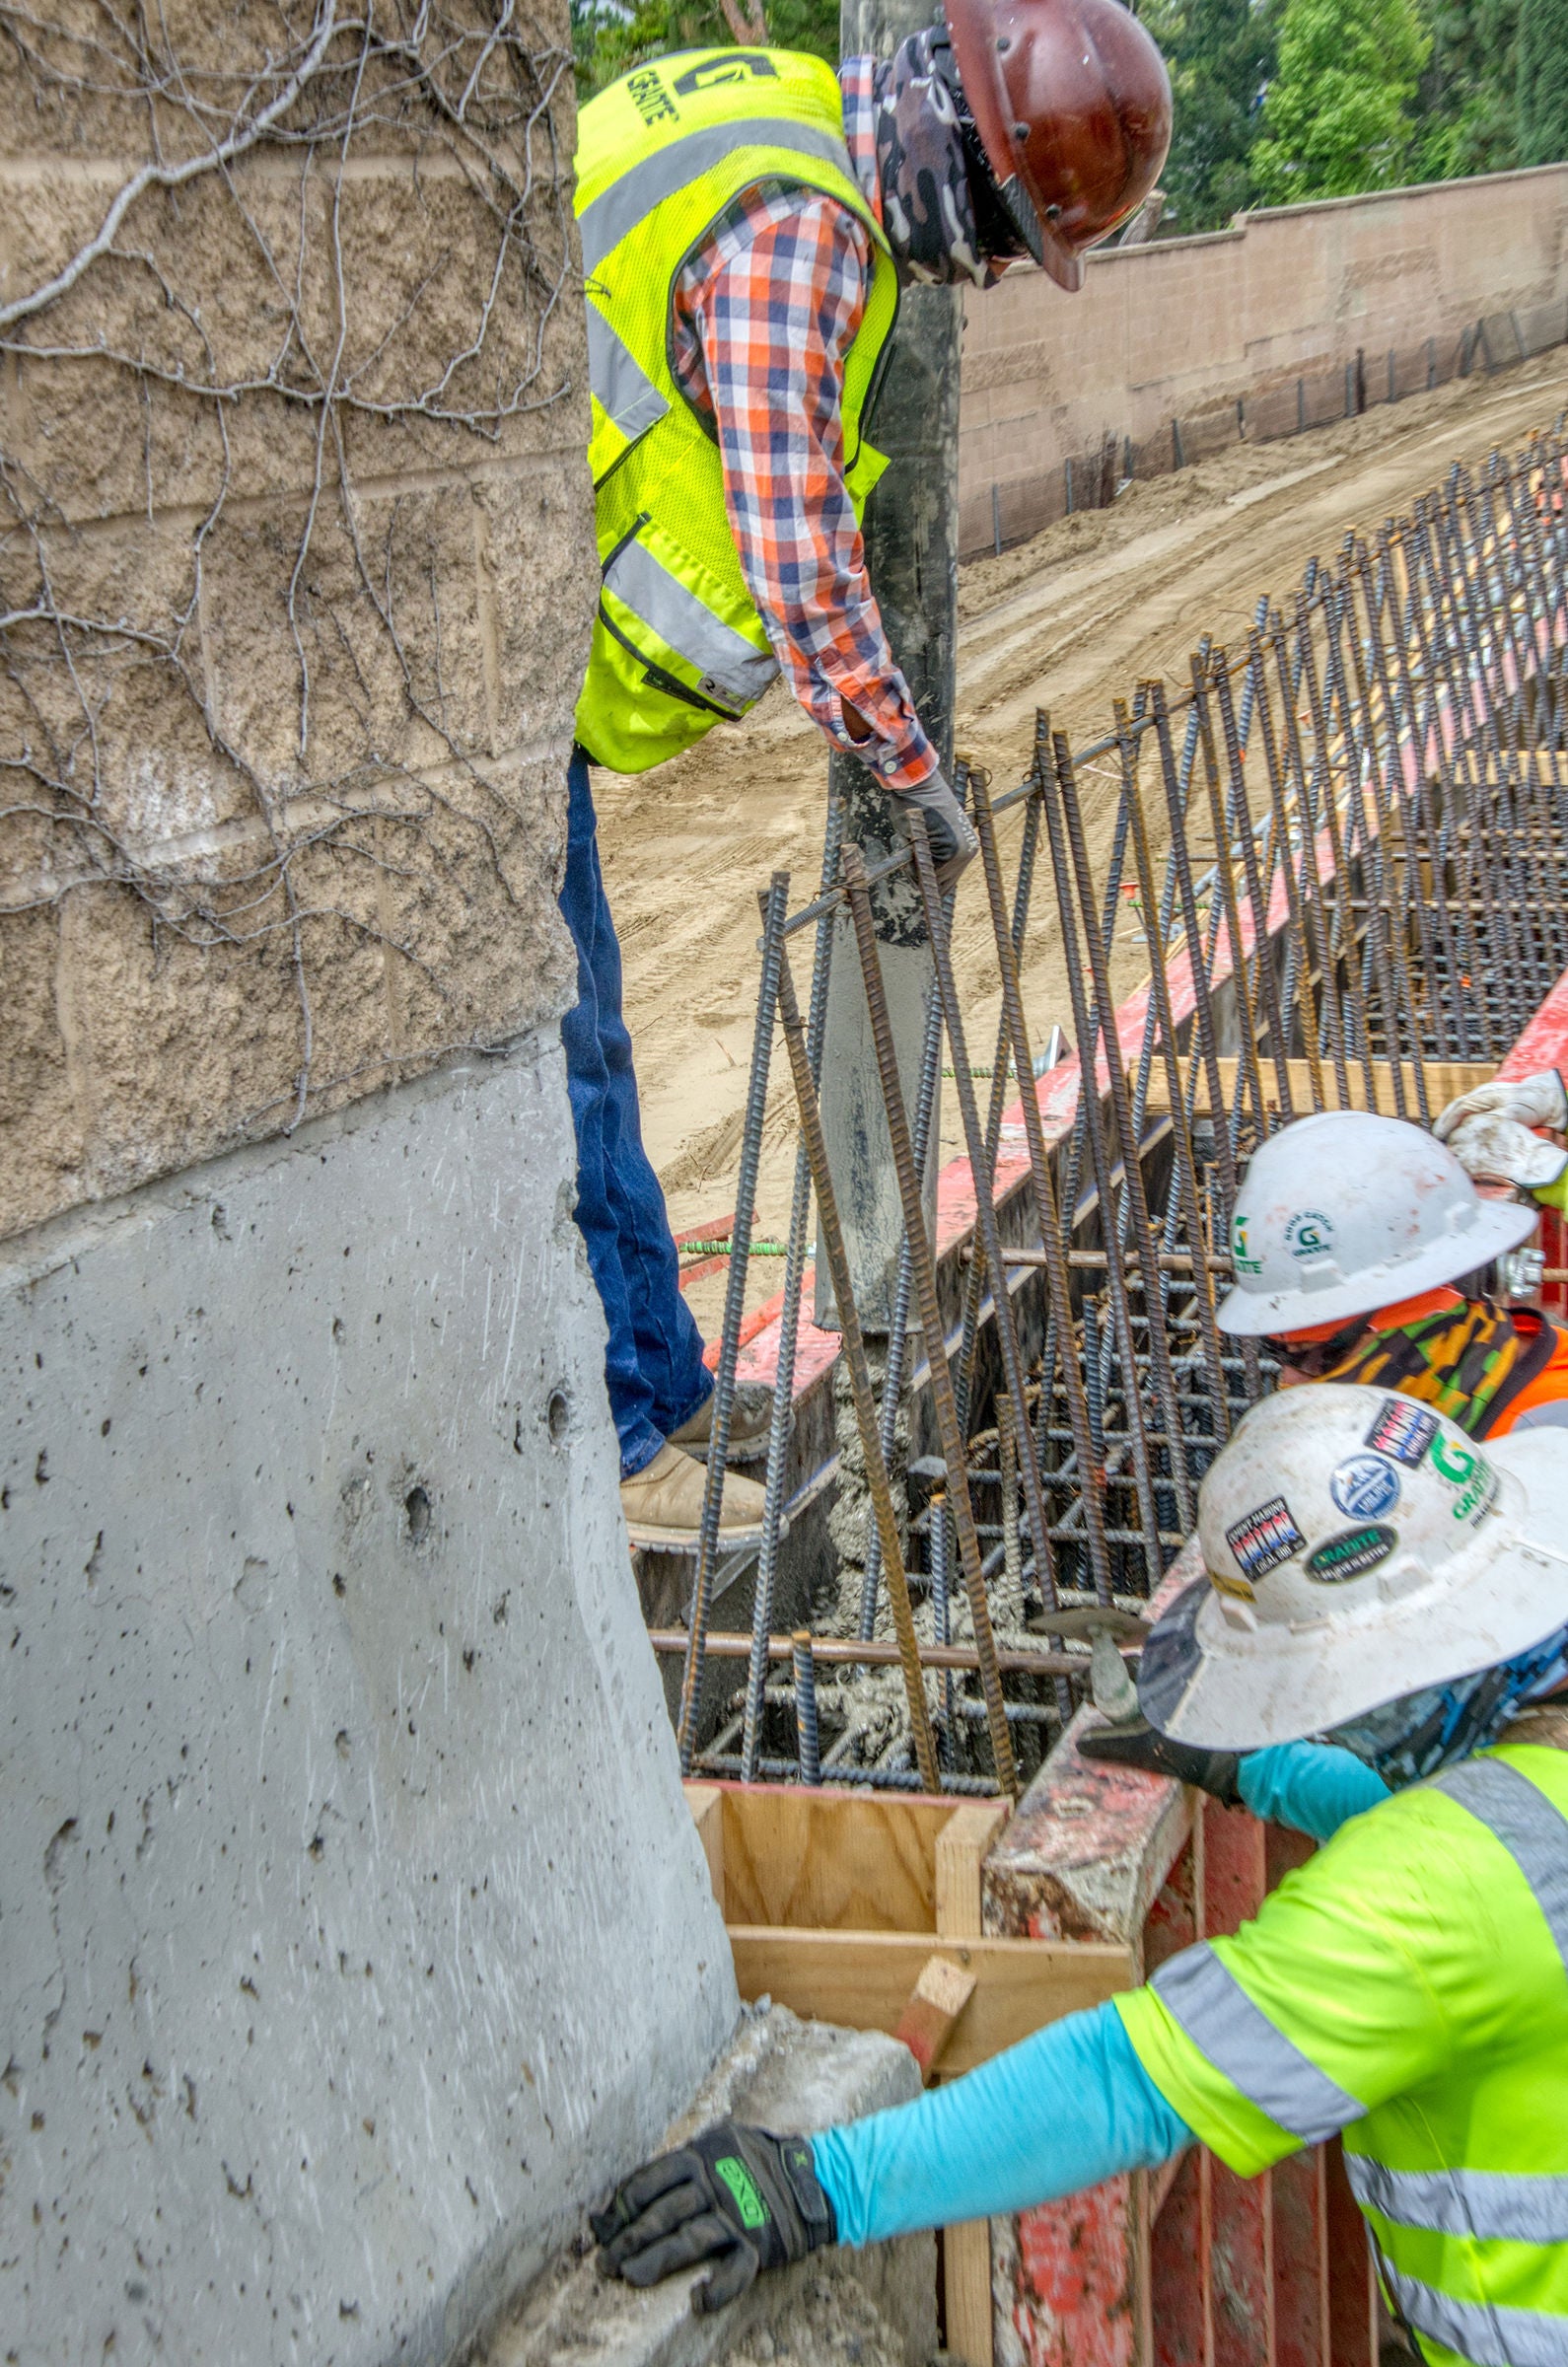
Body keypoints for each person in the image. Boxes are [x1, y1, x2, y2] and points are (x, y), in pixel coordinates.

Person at [591, 1384, 1568, 2366]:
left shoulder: (1433, 1896)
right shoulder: (1521, 1792)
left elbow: (1124, 2083)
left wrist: (823, 2182)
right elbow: (1483, 1842)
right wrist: (1242, 1763)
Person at [564, 2, 1172, 1545]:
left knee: (594, 1035)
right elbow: (798, 551)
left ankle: (671, 1382)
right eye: (994, 234)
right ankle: (630, 1448)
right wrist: (907, 770)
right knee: (563, 1053)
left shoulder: (770, 104)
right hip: (492, 661)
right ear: (964, 159)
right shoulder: (808, 233)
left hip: (515, 634)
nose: (971, 267)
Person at [1085, 1104, 1568, 1821]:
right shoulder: (1491, 1383)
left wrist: (1247, 1766)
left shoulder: (1537, 1466)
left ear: (1418, 1313)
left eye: (1314, 1354)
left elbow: (1489, 1822)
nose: (1289, 1384)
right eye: (1277, 1353)